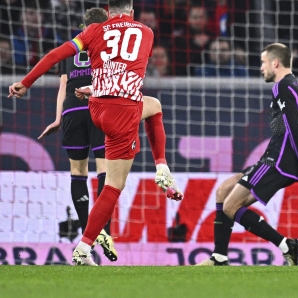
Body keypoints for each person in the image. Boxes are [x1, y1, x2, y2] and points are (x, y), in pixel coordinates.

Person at [8, 0, 183, 266]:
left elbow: (57, 55)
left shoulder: (93, 31)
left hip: (97, 108)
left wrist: (26, 82)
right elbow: (125, 67)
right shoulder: (146, 32)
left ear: (109, 12)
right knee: (113, 185)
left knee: (153, 107)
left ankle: (162, 168)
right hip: (123, 110)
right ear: (132, 12)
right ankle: (83, 247)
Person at [196, 43, 298, 266]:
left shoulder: (283, 87)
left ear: (276, 63)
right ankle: (219, 256)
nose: (261, 68)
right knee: (223, 190)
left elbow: (295, 128)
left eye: (263, 63)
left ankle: (286, 245)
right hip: (281, 158)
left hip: (278, 159)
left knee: (230, 206)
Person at [37, 7, 118, 262]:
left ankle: (87, 237)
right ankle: (103, 230)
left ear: (84, 25)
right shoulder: (109, 43)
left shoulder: (71, 46)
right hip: (98, 105)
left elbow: (63, 85)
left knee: (78, 172)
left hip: (72, 108)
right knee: (105, 170)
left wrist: (58, 118)